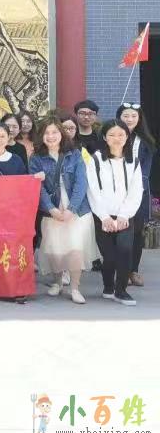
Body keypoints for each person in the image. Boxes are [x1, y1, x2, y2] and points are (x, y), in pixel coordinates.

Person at [29, 118, 97, 304]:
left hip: (77, 211)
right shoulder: (36, 158)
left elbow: (81, 183)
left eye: (54, 132)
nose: (51, 136)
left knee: (75, 249)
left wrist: (71, 209)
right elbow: (38, 187)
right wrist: (51, 209)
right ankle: (58, 282)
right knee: (55, 250)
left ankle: (74, 288)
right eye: (46, 133)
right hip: (51, 210)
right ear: (41, 136)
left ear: (62, 134)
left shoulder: (75, 155)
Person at [86, 119, 143, 306]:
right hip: (102, 217)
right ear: (104, 137)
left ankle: (121, 291)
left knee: (125, 251)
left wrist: (124, 215)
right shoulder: (96, 160)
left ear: (127, 137)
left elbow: (136, 191)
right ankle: (108, 286)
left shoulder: (133, 161)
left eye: (121, 135)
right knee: (109, 256)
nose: (116, 138)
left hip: (125, 216)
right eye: (111, 135)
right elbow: (92, 190)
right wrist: (104, 217)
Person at [117, 103, 155, 287]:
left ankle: (133, 270)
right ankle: (121, 271)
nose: (129, 119)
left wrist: (136, 188)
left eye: (133, 116)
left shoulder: (145, 142)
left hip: (139, 192)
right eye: (126, 116)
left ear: (139, 119)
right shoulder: (112, 137)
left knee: (137, 233)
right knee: (120, 233)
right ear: (119, 117)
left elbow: (146, 170)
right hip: (116, 193)